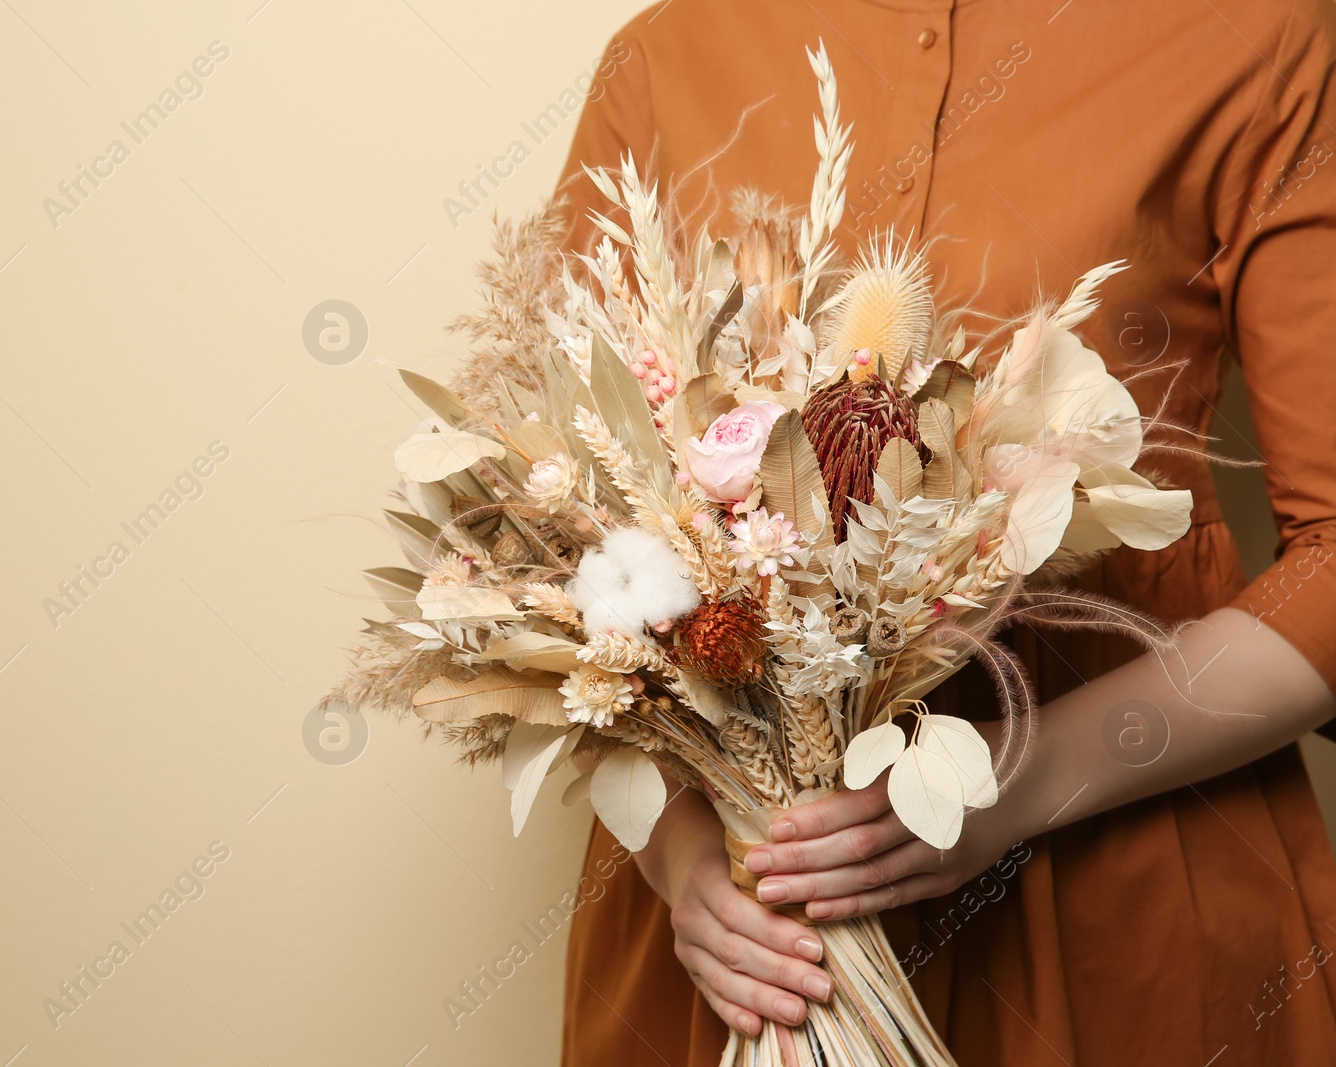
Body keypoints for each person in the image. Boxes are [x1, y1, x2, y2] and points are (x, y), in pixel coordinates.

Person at [549, 0, 1336, 1063]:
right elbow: (551, 522)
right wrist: (683, 853)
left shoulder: (1259, 37)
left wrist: (1014, 780)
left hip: (1119, 887)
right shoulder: (662, 57)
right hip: (744, 937)